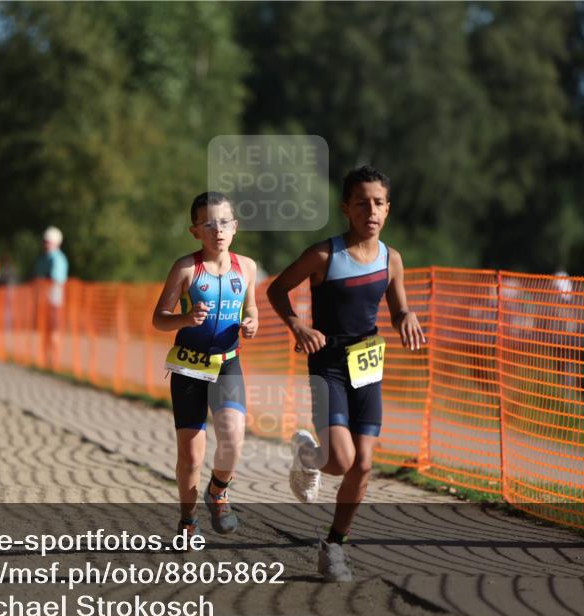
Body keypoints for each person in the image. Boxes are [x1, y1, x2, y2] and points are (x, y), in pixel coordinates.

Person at [267, 165, 425, 582]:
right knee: (340, 459)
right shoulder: (324, 256)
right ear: (346, 209)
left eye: (377, 203)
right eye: (361, 203)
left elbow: (398, 306)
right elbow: (277, 289)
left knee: (364, 464)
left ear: (388, 209)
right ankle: (307, 453)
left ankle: (334, 547)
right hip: (329, 362)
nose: (370, 210)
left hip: (367, 363)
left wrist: (407, 315)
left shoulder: (392, 260)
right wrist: (298, 325)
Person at [152, 192, 259, 541]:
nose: (218, 230)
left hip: (227, 363)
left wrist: (251, 323)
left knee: (233, 439)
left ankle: (218, 490)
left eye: (224, 222)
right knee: (191, 455)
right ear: (195, 231)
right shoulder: (186, 268)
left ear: (235, 227)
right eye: (209, 224)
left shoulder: (247, 268)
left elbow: (252, 309)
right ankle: (188, 520)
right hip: (189, 368)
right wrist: (185, 318)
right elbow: (159, 319)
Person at [34, 227, 69, 369]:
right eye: (45, 242)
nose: (46, 244)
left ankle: (54, 360)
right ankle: (46, 358)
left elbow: (54, 279)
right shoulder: (43, 258)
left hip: (54, 301)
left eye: (48, 242)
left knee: (54, 330)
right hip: (44, 301)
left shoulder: (58, 259)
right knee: (46, 331)